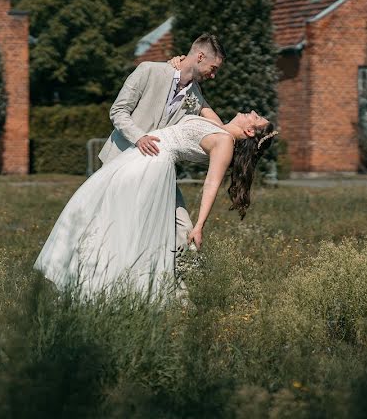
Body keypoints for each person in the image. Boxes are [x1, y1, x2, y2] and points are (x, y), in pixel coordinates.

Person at [33, 110, 277, 299]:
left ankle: (108, 285)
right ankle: (80, 275)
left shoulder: (224, 143)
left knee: (123, 224)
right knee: (101, 212)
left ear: (249, 132)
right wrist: (178, 64)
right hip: (142, 156)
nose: (250, 113)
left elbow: (211, 184)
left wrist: (199, 225)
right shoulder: (218, 126)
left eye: (255, 117)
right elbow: (198, 97)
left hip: (153, 164)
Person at [98, 34, 225, 257]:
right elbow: (118, 111)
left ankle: (172, 284)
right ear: (200, 56)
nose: (213, 76)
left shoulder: (195, 95)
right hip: (119, 163)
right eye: (213, 68)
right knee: (111, 229)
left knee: (184, 228)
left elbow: (219, 128)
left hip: (156, 171)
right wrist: (139, 137)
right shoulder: (149, 70)